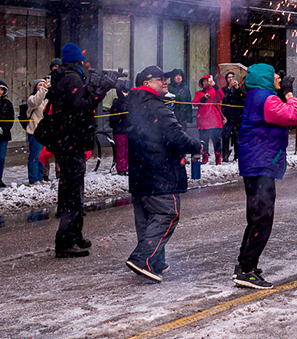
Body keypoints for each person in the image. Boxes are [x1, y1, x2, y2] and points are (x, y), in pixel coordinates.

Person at [122, 66, 202, 282]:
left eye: (165, 78)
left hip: (141, 174)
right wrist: (196, 145)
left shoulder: (134, 104)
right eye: (159, 79)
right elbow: (176, 137)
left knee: (147, 219)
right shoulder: (156, 106)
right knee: (167, 213)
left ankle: (155, 262)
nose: (165, 81)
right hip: (159, 173)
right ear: (146, 84)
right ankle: (143, 259)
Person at [233, 63, 297, 289]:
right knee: (262, 218)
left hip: (256, 162)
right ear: (264, 77)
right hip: (260, 164)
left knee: (256, 216)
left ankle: (245, 265)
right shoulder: (266, 98)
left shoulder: (257, 96)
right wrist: (289, 94)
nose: (278, 77)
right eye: (274, 73)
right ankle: (246, 270)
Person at [42, 44, 104, 257]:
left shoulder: (63, 76)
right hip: (71, 141)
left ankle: (75, 235)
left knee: (71, 190)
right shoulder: (72, 78)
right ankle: (65, 242)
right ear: (78, 61)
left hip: (66, 140)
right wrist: (98, 94)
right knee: (72, 193)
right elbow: (81, 108)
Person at [194, 74, 225, 164]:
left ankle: (218, 158)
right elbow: (194, 103)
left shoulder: (215, 91)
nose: (206, 83)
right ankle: (205, 157)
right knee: (204, 141)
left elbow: (221, 96)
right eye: (204, 81)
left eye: (207, 81)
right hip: (203, 122)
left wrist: (215, 86)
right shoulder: (199, 93)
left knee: (217, 141)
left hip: (215, 120)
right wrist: (203, 98)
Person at [222, 69, 245, 162]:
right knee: (225, 136)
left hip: (237, 116)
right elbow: (223, 99)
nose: (230, 79)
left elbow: (243, 98)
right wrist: (228, 89)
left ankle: (237, 154)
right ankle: (225, 154)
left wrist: (237, 89)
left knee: (237, 137)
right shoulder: (224, 89)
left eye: (232, 77)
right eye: (228, 77)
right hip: (227, 116)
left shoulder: (239, 89)